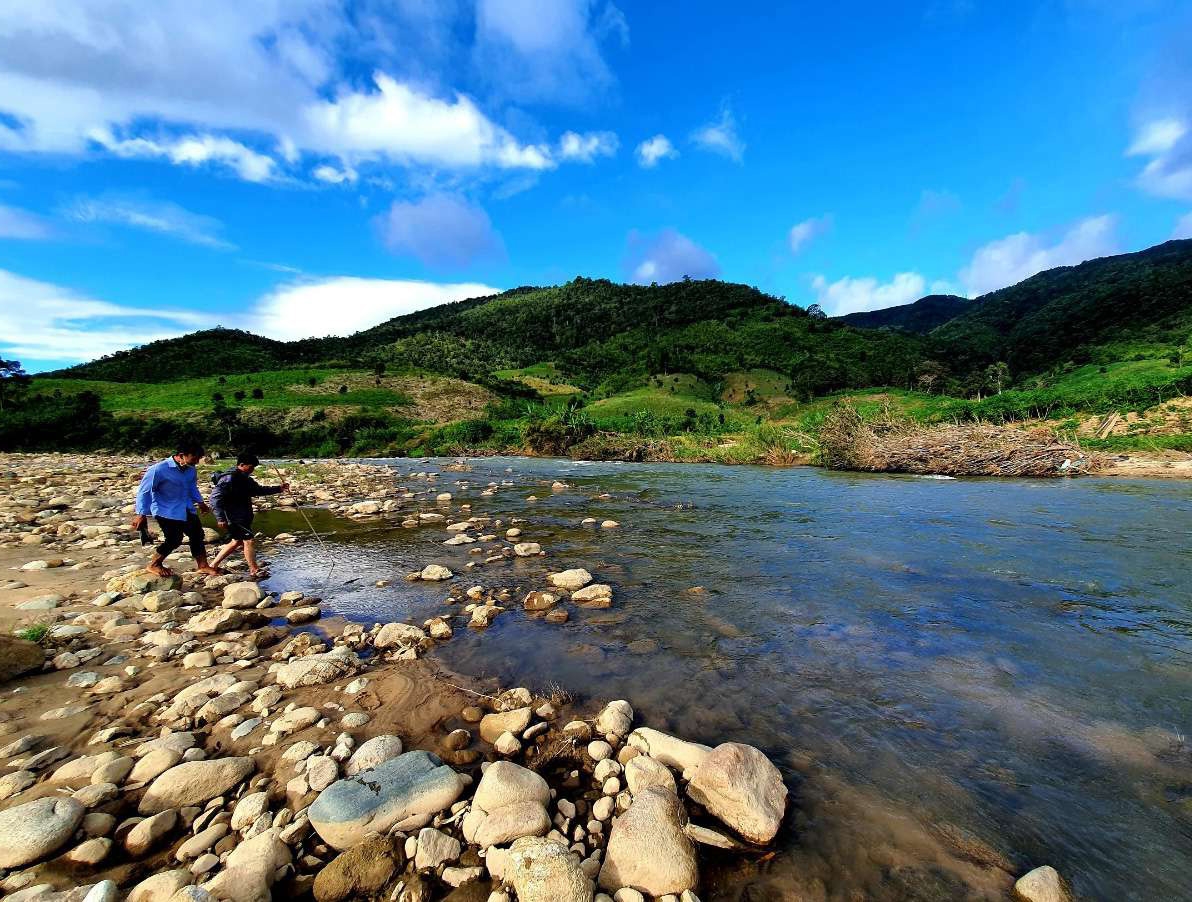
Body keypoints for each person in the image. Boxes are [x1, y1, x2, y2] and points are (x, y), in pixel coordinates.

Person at [132, 440, 221, 577]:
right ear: (181, 455)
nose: (197, 461)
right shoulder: (158, 469)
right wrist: (141, 514)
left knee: (197, 534)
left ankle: (203, 565)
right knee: (174, 539)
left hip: (186, 507)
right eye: (194, 458)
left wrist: (200, 502)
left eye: (198, 458)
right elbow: (144, 491)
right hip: (165, 509)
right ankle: (154, 564)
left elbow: (192, 487)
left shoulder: (190, 469)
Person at [208, 451, 288, 577]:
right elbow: (214, 499)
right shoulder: (228, 478)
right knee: (248, 540)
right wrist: (220, 518)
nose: (252, 470)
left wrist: (279, 488)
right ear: (241, 464)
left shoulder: (246, 479)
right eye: (251, 467)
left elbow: (258, 490)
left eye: (253, 467)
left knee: (236, 541)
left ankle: (213, 565)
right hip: (232, 517)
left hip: (242, 515)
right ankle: (254, 569)